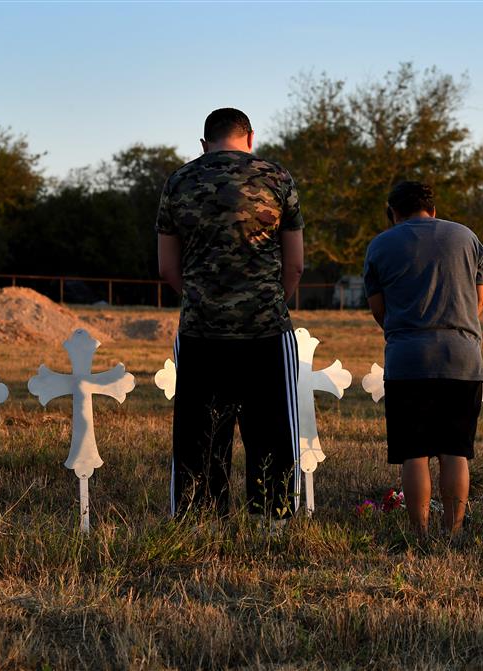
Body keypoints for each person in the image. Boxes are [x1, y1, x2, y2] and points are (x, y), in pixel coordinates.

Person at [156, 107, 305, 521]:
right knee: (273, 430)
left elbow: (167, 268)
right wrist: (271, 300)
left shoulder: (179, 181)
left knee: (199, 435)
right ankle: (272, 519)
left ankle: (198, 518)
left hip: (202, 330)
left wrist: (204, 298)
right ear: (250, 138)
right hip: (265, 329)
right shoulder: (277, 178)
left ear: (204, 143)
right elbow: (294, 265)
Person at [363, 181, 483, 538]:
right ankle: (453, 532)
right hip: (461, 359)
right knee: (455, 451)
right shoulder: (467, 238)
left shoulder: (380, 245)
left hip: (408, 361)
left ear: (393, 212)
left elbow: (379, 309)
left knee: (413, 453)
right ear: (432, 209)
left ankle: (418, 533)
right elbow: (479, 301)